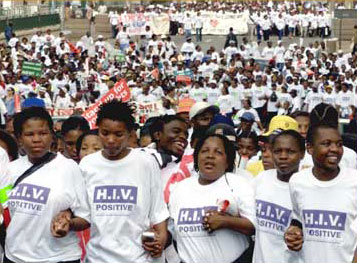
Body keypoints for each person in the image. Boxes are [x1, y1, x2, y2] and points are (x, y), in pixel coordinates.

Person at [79, 100, 169, 263]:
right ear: (98, 129)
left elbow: (158, 210)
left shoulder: (146, 162)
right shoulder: (87, 165)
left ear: (130, 133)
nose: (111, 140)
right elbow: (81, 213)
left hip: (139, 258)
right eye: (105, 133)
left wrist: (161, 239)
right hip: (97, 258)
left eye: (118, 134)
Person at [1, 107, 90, 263]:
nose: (37, 139)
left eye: (43, 133)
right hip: (15, 257)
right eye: (29, 134)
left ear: (52, 136)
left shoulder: (69, 168)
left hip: (59, 258)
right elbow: (4, 207)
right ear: (19, 138)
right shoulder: (10, 170)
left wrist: (68, 223)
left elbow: (85, 218)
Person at [169, 134, 255, 263]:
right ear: (197, 157)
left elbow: (254, 226)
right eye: (204, 151)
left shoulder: (238, 184)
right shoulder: (180, 189)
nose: (210, 156)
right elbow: (173, 232)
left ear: (227, 162)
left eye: (218, 152)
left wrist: (225, 221)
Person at [285, 123, 357, 263]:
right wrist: (293, 233)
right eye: (326, 144)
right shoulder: (297, 181)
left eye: (339, 144)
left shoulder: (354, 181)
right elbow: (298, 220)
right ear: (310, 148)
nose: (335, 149)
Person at [254, 130, 305, 263]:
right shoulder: (261, 179)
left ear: (302, 154)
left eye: (290, 152)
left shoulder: (306, 188)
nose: (283, 156)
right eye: (277, 151)